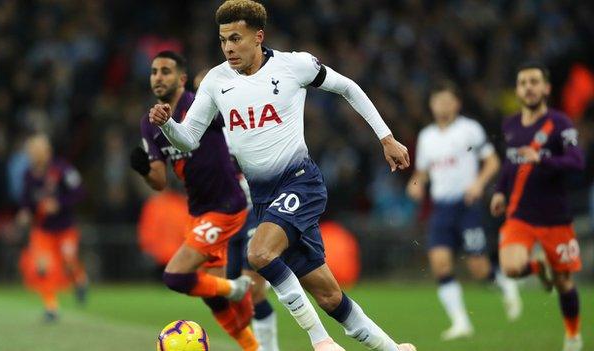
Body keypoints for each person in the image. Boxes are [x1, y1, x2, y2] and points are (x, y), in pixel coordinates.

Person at [149, 1, 416, 350]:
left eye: (236, 38)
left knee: (259, 254)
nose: (228, 47)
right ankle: (394, 349)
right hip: (263, 198)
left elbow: (348, 87)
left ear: (258, 36)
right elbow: (188, 138)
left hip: (300, 181)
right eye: (222, 40)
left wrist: (386, 137)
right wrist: (167, 123)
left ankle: (321, 342)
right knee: (329, 295)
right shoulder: (216, 81)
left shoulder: (295, 65)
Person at [130, 51, 260, 350]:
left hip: (227, 206)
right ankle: (255, 345)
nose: (158, 77)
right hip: (198, 211)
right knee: (214, 298)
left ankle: (236, 287)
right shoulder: (150, 124)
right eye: (153, 72)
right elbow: (160, 182)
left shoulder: (200, 104)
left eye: (165, 71)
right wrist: (143, 170)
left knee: (175, 276)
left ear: (182, 79)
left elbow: (236, 113)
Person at [406, 81, 521, 340]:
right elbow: (422, 172)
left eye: (448, 101)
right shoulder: (427, 137)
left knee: (478, 268)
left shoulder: (470, 130)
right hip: (441, 208)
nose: (442, 106)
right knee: (440, 264)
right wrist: (415, 185)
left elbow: (492, 161)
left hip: (467, 206)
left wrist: (478, 184)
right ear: (431, 105)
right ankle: (460, 323)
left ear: (457, 104)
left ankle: (504, 283)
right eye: (438, 101)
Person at [490, 62, 585, 351]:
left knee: (564, 283)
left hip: (555, 218)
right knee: (511, 268)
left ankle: (572, 335)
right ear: (518, 90)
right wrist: (499, 191)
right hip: (520, 215)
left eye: (534, 81)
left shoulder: (561, 124)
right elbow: (510, 164)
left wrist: (542, 159)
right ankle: (537, 265)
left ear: (546, 88)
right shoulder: (510, 125)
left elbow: (577, 162)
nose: (528, 87)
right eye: (523, 83)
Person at [194, 67, 281, 351]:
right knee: (231, 293)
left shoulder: (241, 122)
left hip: (254, 211)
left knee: (254, 289)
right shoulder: (197, 136)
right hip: (225, 221)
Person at [16, 133, 88, 322]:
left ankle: (80, 280)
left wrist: (59, 203)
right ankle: (51, 308)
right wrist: (24, 212)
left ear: (47, 151)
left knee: (69, 261)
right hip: (42, 230)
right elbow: (26, 202)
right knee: (43, 267)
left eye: (38, 151)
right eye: (31, 151)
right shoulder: (29, 175)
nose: (34, 155)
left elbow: (80, 192)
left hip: (65, 227)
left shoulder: (62, 169)